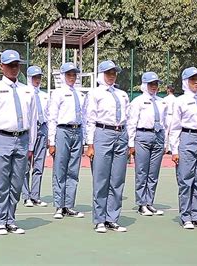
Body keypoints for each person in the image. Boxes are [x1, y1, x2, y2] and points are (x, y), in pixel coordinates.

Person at [0, 50, 37, 235]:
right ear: (1, 67)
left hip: (22, 139)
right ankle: (0, 220)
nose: (14, 68)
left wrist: (31, 145)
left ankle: (11, 219)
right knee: (0, 182)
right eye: (10, 65)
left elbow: (32, 120)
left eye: (16, 65)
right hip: (2, 138)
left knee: (16, 182)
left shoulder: (27, 90)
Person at [85, 60, 129, 233]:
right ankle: (100, 219)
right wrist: (90, 144)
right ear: (101, 75)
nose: (111, 76)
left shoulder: (122, 94)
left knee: (117, 179)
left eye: (114, 73)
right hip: (102, 133)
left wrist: (129, 141)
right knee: (101, 178)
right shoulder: (95, 93)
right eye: (108, 73)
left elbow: (129, 117)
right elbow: (90, 119)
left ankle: (112, 218)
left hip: (121, 134)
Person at [170, 67, 197, 230]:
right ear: (185, 82)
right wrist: (174, 150)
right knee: (186, 179)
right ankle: (186, 216)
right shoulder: (180, 101)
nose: (196, 82)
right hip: (187, 138)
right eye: (192, 79)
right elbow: (174, 127)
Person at [47, 62, 86, 219]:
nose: (72, 77)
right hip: (62, 130)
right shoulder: (58, 94)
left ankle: (69, 205)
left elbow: (85, 116)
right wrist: (52, 141)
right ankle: (59, 205)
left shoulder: (81, 95)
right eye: (69, 74)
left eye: (74, 74)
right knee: (60, 169)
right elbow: (52, 117)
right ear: (63, 76)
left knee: (73, 170)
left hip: (78, 131)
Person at [127, 72, 167, 216]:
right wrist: (131, 143)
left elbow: (166, 123)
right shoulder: (137, 101)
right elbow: (131, 123)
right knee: (142, 171)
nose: (154, 86)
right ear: (144, 85)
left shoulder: (162, 102)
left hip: (158, 136)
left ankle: (149, 202)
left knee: (154, 172)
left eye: (156, 84)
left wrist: (165, 142)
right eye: (151, 84)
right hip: (143, 135)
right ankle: (141, 203)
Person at [22, 65, 49, 208]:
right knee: (26, 164)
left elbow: (49, 115)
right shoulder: (25, 93)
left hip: (42, 129)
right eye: (34, 77)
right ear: (29, 78)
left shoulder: (44, 95)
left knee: (39, 164)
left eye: (39, 77)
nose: (37, 80)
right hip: (28, 130)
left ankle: (35, 195)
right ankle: (25, 195)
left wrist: (49, 134)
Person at [163, 84, 176, 154]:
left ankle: (164, 147)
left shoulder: (165, 99)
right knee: (172, 133)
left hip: (167, 116)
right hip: (174, 116)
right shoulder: (176, 99)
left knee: (165, 132)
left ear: (168, 90)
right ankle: (171, 149)